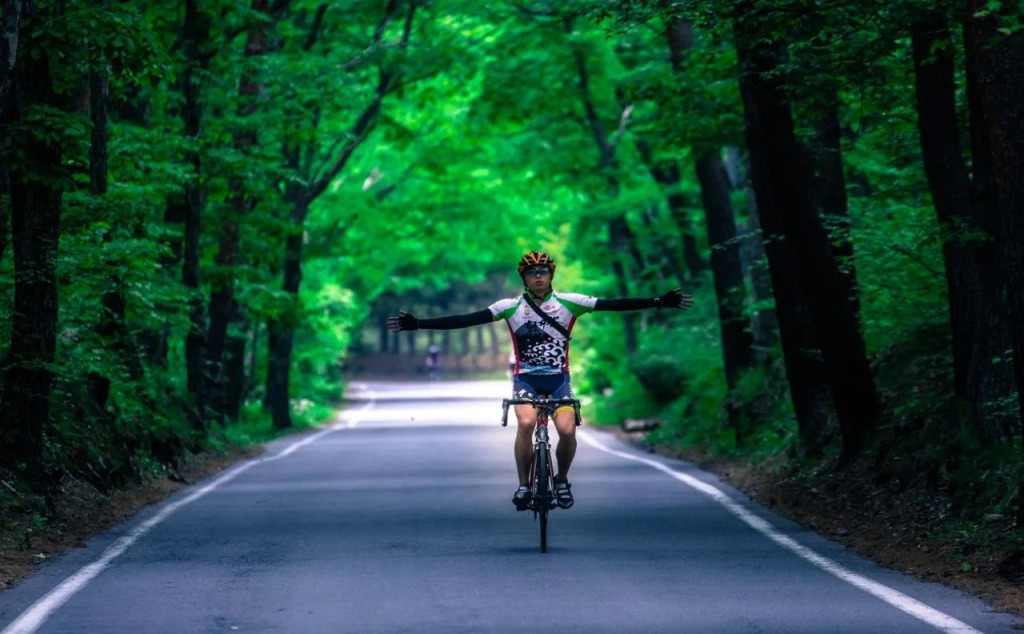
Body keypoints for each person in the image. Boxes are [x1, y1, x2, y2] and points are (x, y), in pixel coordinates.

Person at [387, 251, 694, 511]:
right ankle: (523, 485)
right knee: (525, 423)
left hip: (559, 380)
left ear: (551, 276)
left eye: (543, 272)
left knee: (567, 431)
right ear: (524, 278)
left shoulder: (570, 302)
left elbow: (613, 304)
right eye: (532, 273)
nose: (538, 277)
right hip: (526, 380)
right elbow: (465, 320)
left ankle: (561, 480)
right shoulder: (509, 307)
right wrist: (419, 324)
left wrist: (658, 301)